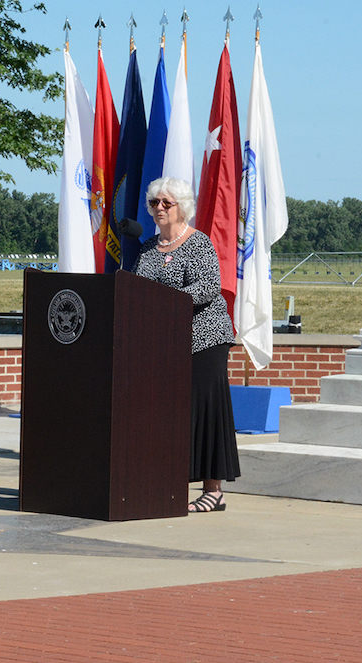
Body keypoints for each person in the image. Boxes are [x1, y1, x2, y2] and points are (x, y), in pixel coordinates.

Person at [130, 176, 239, 513]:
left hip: (204, 340)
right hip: (164, 344)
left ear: (182, 208)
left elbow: (208, 288)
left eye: (166, 203)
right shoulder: (148, 248)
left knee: (205, 411)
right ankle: (169, 481)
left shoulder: (199, 243)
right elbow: (134, 288)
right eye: (153, 203)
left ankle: (213, 490)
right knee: (167, 413)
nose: (158, 208)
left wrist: (163, 300)